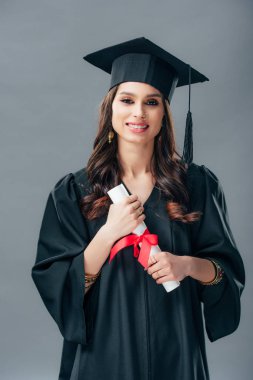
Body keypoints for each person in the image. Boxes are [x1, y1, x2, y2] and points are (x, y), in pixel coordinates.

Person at [31, 37, 245, 380]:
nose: (138, 113)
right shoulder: (75, 191)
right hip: (103, 357)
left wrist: (188, 265)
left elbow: (228, 277)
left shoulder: (197, 186)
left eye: (152, 102)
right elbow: (57, 285)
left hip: (177, 355)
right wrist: (109, 233)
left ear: (165, 113)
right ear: (110, 108)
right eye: (127, 100)